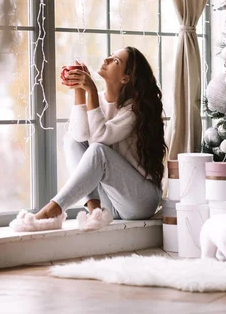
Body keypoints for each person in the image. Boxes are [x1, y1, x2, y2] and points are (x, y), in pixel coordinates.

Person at [10, 46, 166, 232]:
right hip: (112, 201)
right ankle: (95, 212)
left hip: (140, 200)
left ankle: (52, 210)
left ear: (126, 78)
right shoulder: (97, 99)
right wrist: (79, 91)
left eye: (116, 61)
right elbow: (79, 136)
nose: (107, 60)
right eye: (110, 56)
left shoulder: (133, 110)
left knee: (98, 151)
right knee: (71, 140)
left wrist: (90, 90)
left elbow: (100, 138)